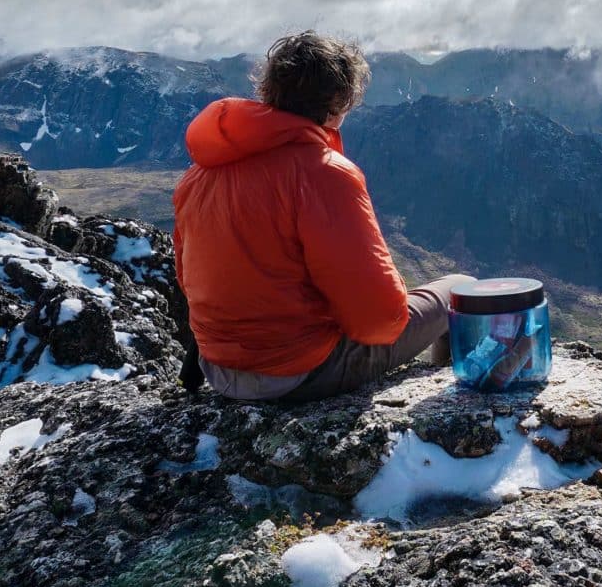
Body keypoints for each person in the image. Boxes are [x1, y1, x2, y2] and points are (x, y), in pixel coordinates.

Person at [172, 30, 473, 402]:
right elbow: (380, 319)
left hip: (218, 369)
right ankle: (455, 406)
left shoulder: (199, 173)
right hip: (297, 373)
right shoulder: (324, 173)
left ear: (268, 91)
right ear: (338, 102)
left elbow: (190, 281)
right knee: (461, 288)